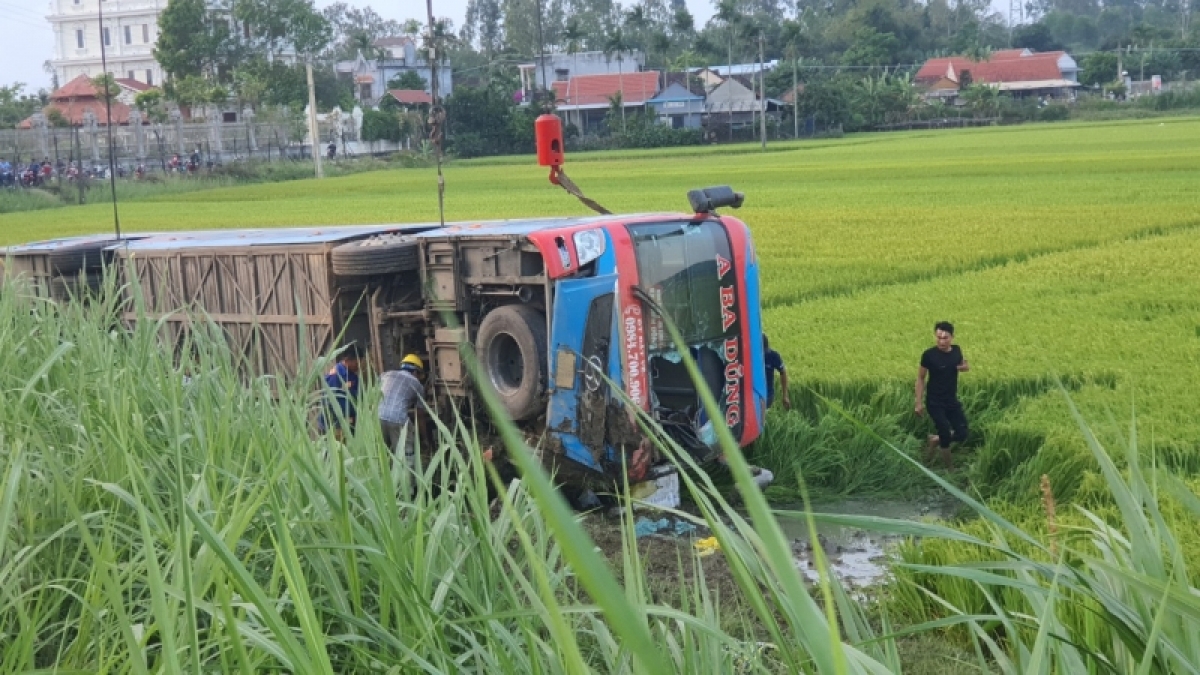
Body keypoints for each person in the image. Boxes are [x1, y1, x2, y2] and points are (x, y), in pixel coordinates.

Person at [915, 321, 970, 469]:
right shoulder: (929, 355)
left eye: (945, 338)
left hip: (951, 400)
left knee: (963, 432)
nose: (941, 341)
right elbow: (920, 378)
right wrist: (918, 402)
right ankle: (950, 470)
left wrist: (964, 367)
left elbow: (962, 365)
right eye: (938, 337)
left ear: (952, 337)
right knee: (945, 432)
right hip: (934, 401)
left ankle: (934, 441)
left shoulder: (956, 350)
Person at [378, 354, 428, 466]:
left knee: (383, 454)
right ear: (415, 372)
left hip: (378, 416)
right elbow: (420, 415)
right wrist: (425, 438)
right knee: (405, 456)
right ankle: (407, 475)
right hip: (398, 419)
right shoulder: (417, 384)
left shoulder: (385, 375)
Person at [319, 344, 363, 440]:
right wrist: (338, 425)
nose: (359, 366)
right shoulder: (335, 376)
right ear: (347, 360)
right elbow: (328, 402)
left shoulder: (352, 375)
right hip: (336, 426)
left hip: (350, 424)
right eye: (356, 363)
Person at [763, 334, 791, 410]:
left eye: (765, 351)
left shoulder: (773, 356)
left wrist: (785, 396)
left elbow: (783, 372)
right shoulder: (751, 356)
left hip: (768, 395)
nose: (764, 354)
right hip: (753, 394)